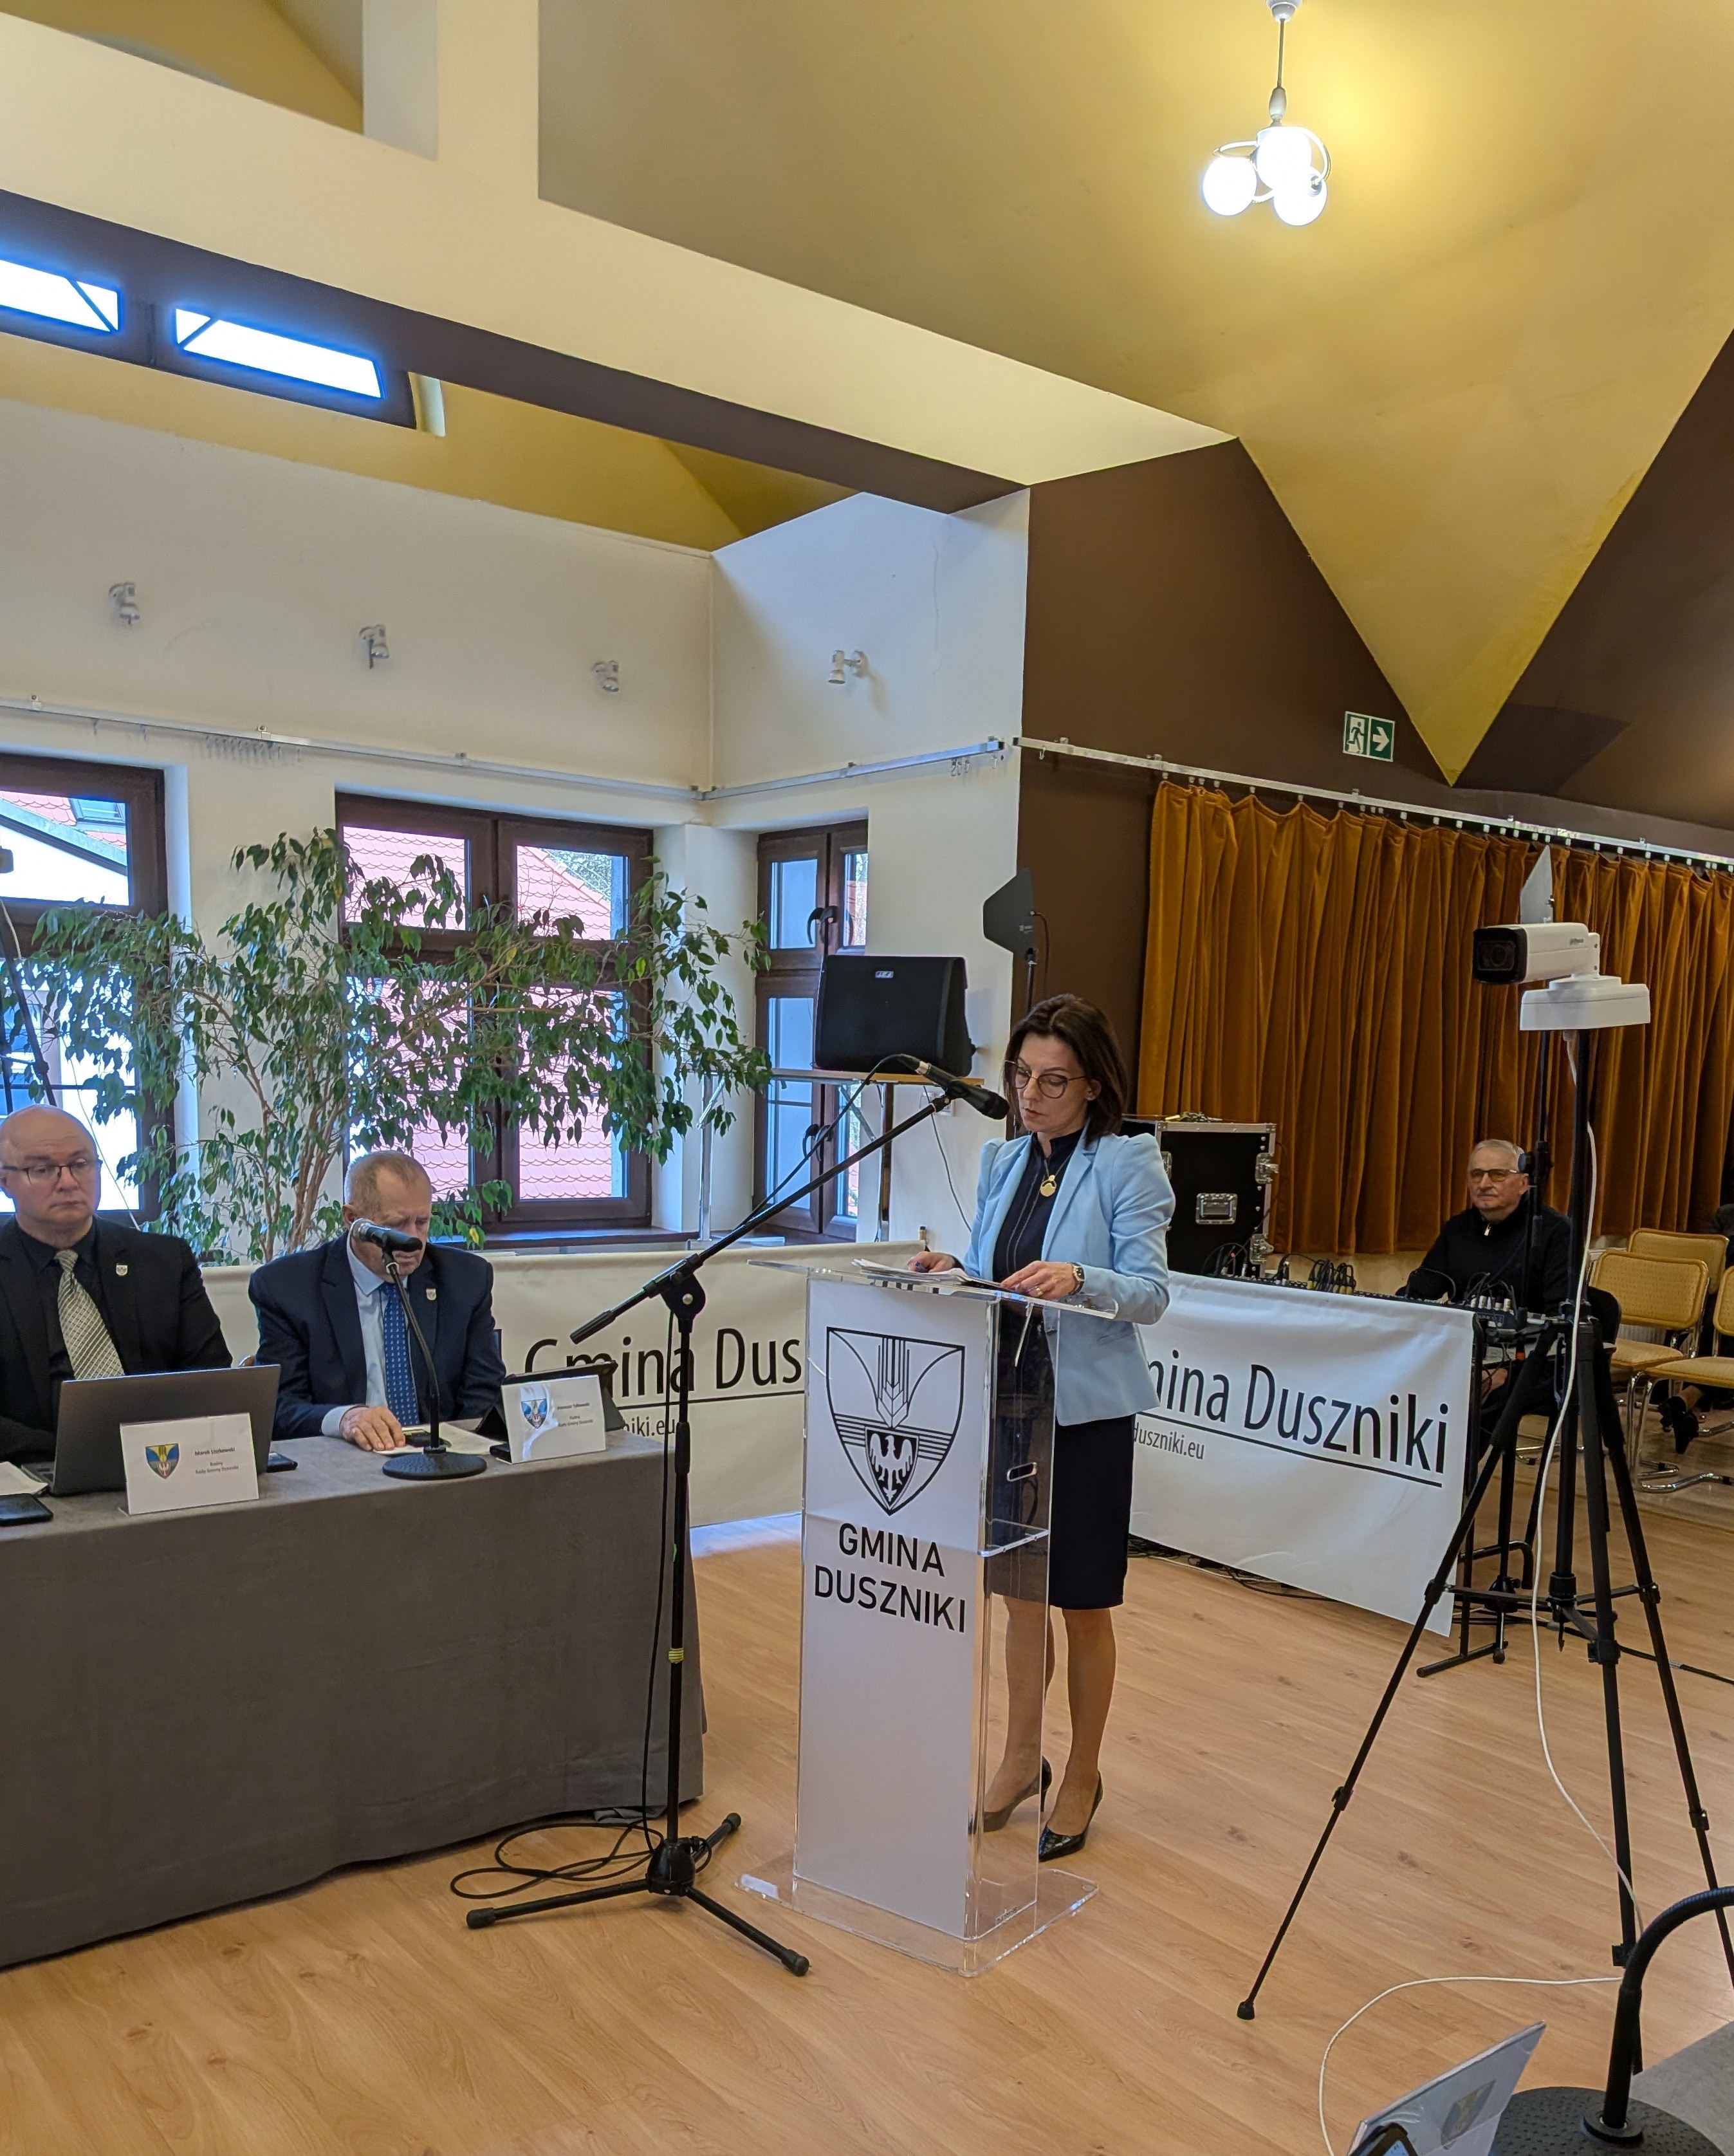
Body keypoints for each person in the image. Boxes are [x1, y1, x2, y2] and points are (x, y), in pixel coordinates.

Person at [910, 994, 1172, 1862]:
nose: (1029, 1094)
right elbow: (997, 1271)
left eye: (1052, 1081)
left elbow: (1150, 1292)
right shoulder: (1002, 1159)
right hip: (1008, 1401)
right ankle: (1021, 1757)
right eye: (1021, 1074)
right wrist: (955, 1267)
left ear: (1092, 1085)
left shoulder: (1127, 1162)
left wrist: (1081, 1276)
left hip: (1084, 1411)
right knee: (1019, 1598)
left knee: (1081, 1604)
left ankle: (1083, 1772)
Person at [0, 1102, 230, 1462]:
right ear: (5, 1181)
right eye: (43, 1170)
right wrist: (78, 1455)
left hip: (165, 1462)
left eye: (80, 1164)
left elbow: (211, 1380)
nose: (68, 1183)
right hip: (31, 1469)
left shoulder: (164, 1262)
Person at [249, 1150, 505, 1447]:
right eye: (396, 1225)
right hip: (344, 1459)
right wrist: (344, 1419)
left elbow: (485, 1392)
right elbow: (281, 1408)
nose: (412, 1240)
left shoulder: (465, 1279)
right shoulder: (287, 1289)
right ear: (352, 1219)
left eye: (422, 1222)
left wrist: (461, 1451)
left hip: (443, 1457)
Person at [1407, 1138, 1571, 1311]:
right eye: (1477, 1175)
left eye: (1498, 1175)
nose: (1484, 1184)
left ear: (1523, 1184)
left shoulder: (1557, 1232)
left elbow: (1561, 1313)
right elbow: (1418, 1293)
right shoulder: (1457, 1229)